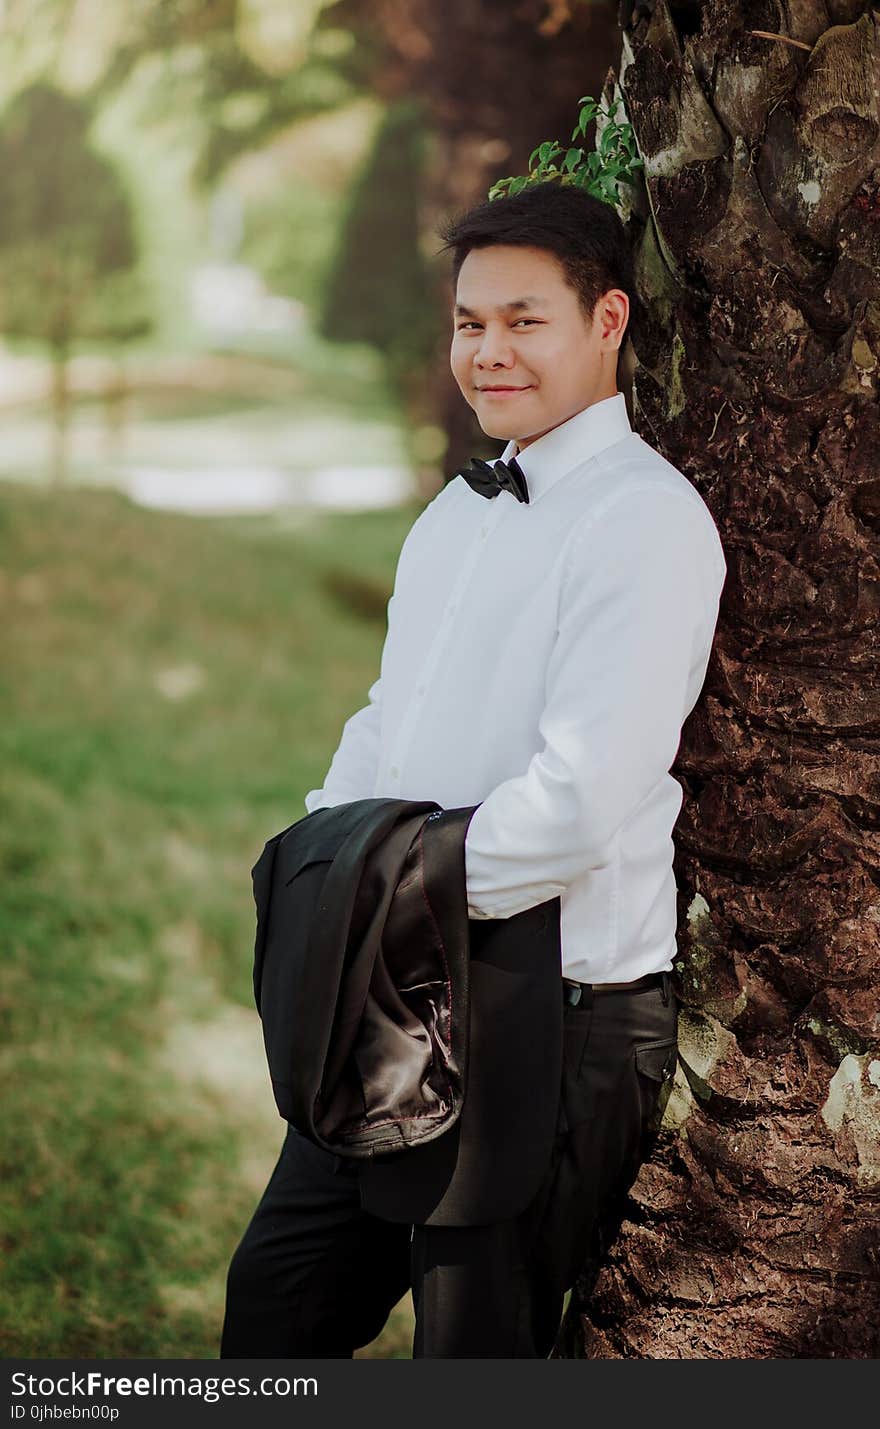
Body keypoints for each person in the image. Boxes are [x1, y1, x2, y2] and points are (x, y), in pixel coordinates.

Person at [220, 180, 727, 1359]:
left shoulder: (645, 522)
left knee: (474, 1351)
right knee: (276, 1309)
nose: (487, 352)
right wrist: (323, 850)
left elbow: (579, 806)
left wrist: (378, 891)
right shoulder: (454, 513)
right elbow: (388, 717)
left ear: (607, 320)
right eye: (467, 324)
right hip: (393, 980)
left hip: (547, 1006)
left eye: (522, 320)